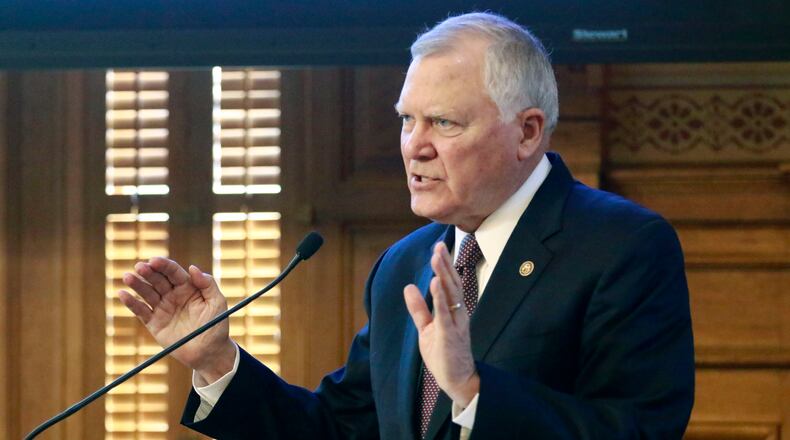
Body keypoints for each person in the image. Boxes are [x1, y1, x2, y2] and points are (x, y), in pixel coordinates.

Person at [119, 12, 694, 440]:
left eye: (443, 122)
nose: (414, 148)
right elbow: (342, 429)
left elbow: (638, 430)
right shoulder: (404, 263)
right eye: (407, 121)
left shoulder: (622, 246)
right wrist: (219, 361)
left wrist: (473, 392)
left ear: (527, 132)